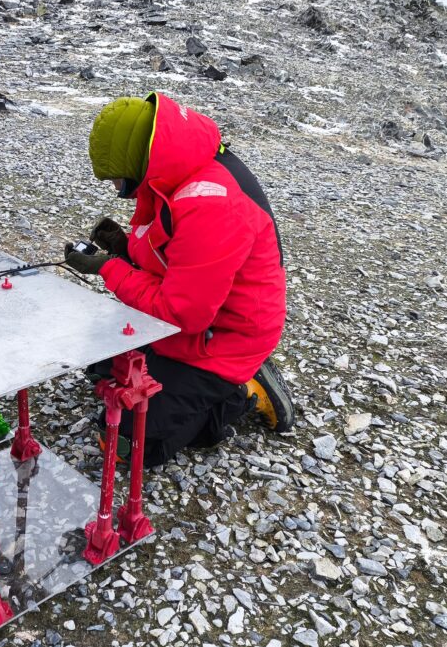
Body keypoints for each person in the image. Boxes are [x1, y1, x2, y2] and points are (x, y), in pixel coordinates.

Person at [64, 92, 294, 467]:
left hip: (222, 338)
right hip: (200, 319)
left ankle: (242, 391)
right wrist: (124, 250)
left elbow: (181, 314)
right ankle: (211, 386)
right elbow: (171, 252)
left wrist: (107, 268)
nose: (116, 190)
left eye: (119, 180)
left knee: (131, 445)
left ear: (139, 163)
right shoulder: (175, 172)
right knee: (103, 372)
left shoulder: (212, 205)